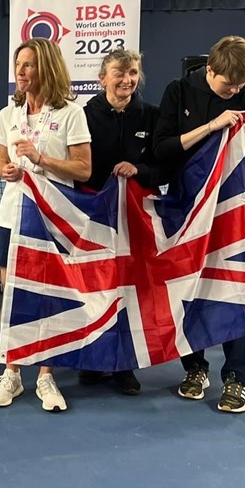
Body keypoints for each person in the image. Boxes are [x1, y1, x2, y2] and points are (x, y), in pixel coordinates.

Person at [153, 35, 245, 415]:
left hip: (236, 214)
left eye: (242, 84)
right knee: (192, 285)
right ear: (210, 69)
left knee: (237, 287)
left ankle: (237, 378)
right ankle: (195, 369)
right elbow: (163, 147)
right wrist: (212, 126)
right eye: (230, 84)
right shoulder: (179, 91)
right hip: (188, 207)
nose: (237, 90)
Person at [0, 39, 91, 411]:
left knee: (49, 297)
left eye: (28, 65)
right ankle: (13, 373)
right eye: (18, 65)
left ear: (45, 68)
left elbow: (83, 168)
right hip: (12, 215)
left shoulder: (71, 114)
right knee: (11, 295)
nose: (20, 72)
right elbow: (1, 163)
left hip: (53, 218)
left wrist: (41, 158)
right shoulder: (8, 114)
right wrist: (9, 169)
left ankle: (46, 375)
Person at [74, 49, 164, 396]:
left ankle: (125, 364)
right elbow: (78, 168)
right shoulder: (84, 116)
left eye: (132, 72)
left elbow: (165, 166)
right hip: (94, 219)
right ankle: (93, 359)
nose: (127, 79)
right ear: (102, 78)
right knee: (95, 286)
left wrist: (138, 169)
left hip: (136, 222)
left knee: (130, 289)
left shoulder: (153, 116)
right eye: (119, 72)